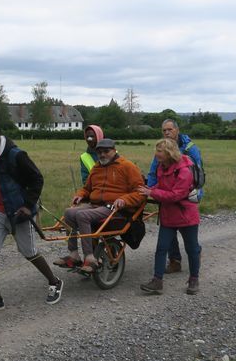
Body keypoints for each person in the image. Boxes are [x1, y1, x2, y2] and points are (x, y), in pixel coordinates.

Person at [0, 119, 63, 312]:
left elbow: (37, 179)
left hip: (18, 212)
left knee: (29, 252)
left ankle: (54, 281)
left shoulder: (16, 155)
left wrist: (28, 205)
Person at [53, 138, 145, 273]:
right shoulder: (97, 167)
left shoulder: (127, 166)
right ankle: (74, 255)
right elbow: (87, 188)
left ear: (114, 150)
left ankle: (90, 258)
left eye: (106, 151)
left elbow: (140, 192)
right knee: (69, 212)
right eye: (99, 152)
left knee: (82, 215)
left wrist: (124, 200)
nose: (102, 155)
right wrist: (80, 195)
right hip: (95, 205)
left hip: (114, 209)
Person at [138, 138, 202, 294]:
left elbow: (176, 195)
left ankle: (194, 279)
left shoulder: (184, 170)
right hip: (169, 216)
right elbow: (162, 185)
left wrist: (151, 192)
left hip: (186, 216)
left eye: (160, 151)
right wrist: (149, 188)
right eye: (157, 150)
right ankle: (157, 281)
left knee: (192, 249)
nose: (156, 154)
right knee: (161, 248)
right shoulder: (162, 167)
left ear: (169, 153)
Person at [146, 119, 203, 274]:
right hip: (165, 196)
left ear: (177, 130)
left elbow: (198, 174)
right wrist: (150, 190)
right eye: (164, 130)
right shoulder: (161, 151)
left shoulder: (190, 150)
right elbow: (154, 172)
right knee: (168, 235)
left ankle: (194, 264)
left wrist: (197, 194)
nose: (166, 132)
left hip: (186, 199)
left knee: (190, 240)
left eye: (169, 129)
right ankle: (174, 261)